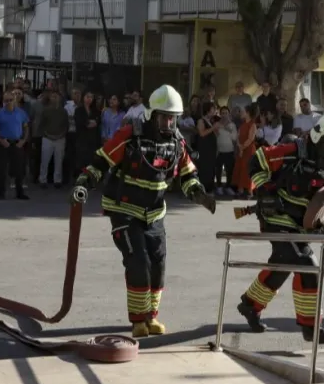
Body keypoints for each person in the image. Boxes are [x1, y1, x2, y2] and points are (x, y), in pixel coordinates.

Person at [72, 84, 216, 338]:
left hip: (155, 213)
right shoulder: (130, 136)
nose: (169, 123)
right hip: (124, 209)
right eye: (164, 117)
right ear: (152, 115)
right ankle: (138, 320)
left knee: (158, 264)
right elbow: (100, 162)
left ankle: (151, 316)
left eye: (173, 118)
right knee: (139, 261)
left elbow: (187, 174)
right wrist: (84, 183)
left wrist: (198, 193)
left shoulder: (177, 142)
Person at [236, 110, 324, 344]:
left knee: (282, 265)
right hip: (276, 219)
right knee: (307, 264)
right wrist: (266, 191)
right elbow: (257, 161)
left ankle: (250, 304)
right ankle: (310, 327)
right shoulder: (291, 152)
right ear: (318, 137)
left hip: (301, 227)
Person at [0, 91, 30, 200]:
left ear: (14, 100)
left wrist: (23, 141)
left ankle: (20, 192)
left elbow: (26, 127)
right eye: (6, 100)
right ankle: (1, 193)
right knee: (1, 170)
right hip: (3, 143)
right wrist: (1, 141)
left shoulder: (21, 113)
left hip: (17, 143)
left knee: (19, 169)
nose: (8, 102)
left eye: (10, 100)